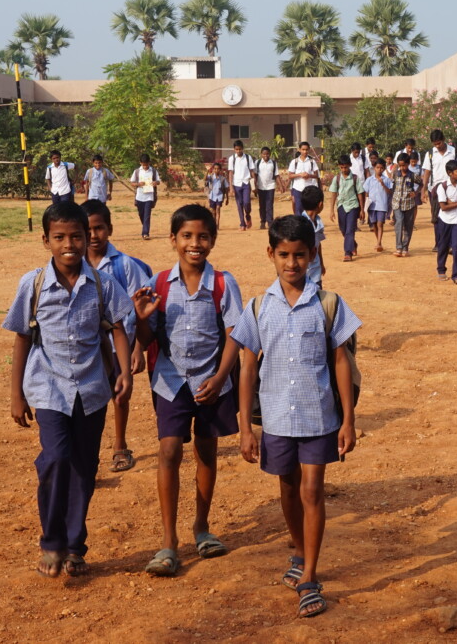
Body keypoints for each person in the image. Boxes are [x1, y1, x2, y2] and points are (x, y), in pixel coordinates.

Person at [231, 214, 362, 619]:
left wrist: (349, 419)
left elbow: (341, 361)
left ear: (313, 254)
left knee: (311, 491)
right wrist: (245, 427)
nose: (292, 263)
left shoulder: (328, 304)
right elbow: (247, 368)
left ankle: (309, 576)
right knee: (287, 490)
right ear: (271, 253)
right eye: (284, 255)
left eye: (300, 255)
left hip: (319, 417)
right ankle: (300, 551)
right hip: (275, 419)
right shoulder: (258, 308)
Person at [3, 201, 134, 578]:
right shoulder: (33, 284)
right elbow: (22, 338)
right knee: (57, 457)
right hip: (48, 387)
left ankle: (75, 546)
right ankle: (52, 542)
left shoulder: (102, 284)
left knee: (84, 468)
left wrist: (125, 372)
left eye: (76, 236)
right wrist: (16, 394)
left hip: (92, 389)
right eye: (59, 237)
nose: (69, 245)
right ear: (46, 240)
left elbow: (118, 328)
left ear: (87, 237)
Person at [132, 204, 244, 576]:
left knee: (206, 451)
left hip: (212, 380)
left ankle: (202, 527)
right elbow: (147, 338)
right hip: (170, 381)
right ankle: (169, 541)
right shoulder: (160, 283)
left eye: (202, 236)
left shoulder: (224, 284)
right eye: (187, 236)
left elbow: (235, 336)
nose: (194, 243)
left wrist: (221, 377)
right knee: (168, 451)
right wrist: (141, 319)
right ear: (173, 239)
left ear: (212, 240)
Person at [82, 199, 151, 473]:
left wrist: (138, 349)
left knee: (120, 395)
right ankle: (87, 455)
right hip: (88, 348)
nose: (94, 235)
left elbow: (141, 310)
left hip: (118, 346)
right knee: (88, 400)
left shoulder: (125, 265)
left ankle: (120, 445)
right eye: (88, 230)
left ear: (109, 229)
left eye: (99, 228)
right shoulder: (74, 264)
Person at [422, 130, 457, 253]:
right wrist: (423, 189)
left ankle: (451, 245)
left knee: (451, 216)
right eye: (435, 144)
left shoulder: (454, 152)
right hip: (435, 190)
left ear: (444, 140)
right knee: (437, 218)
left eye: (439, 143)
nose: (437, 146)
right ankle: (439, 244)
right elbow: (427, 172)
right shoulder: (430, 154)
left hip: (451, 189)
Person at [326, 155, 366, 262]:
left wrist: (362, 210)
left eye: (346, 167)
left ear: (350, 165)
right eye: (342, 167)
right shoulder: (337, 178)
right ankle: (353, 244)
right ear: (339, 166)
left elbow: (360, 194)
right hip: (341, 206)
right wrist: (331, 210)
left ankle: (348, 253)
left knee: (350, 230)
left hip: (353, 206)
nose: (344, 170)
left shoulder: (355, 178)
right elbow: (333, 194)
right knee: (343, 229)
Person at [390, 152, 419, 257]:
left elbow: (421, 183)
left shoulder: (413, 175)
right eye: (400, 165)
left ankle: (405, 247)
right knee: (399, 223)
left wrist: (415, 193)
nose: (402, 168)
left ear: (408, 164)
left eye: (404, 165)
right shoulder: (395, 174)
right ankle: (398, 247)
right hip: (397, 203)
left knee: (408, 225)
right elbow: (392, 186)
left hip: (409, 204)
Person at [363, 158, 393, 253]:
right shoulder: (369, 180)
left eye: (381, 168)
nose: (379, 170)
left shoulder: (387, 180)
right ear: (374, 168)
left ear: (384, 169)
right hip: (371, 205)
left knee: (380, 224)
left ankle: (379, 242)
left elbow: (390, 192)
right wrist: (366, 202)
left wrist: (383, 184)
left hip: (381, 205)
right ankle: (378, 241)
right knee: (374, 224)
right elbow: (366, 192)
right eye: (377, 167)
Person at [300, 186, 327, 288]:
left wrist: (321, 263)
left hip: (315, 270)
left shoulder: (318, 222)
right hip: (303, 272)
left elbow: (318, 244)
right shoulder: (301, 224)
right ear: (320, 204)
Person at [130, 154, 161, 240]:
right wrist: (138, 184)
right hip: (140, 196)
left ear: (149, 162)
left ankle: (145, 233)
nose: (145, 166)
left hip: (149, 197)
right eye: (143, 165)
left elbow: (158, 181)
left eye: (146, 164)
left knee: (147, 215)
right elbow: (132, 183)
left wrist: (155, 183)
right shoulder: (137, 171)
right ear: (140, 163)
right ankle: (145, 226)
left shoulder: (153, 171)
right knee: (141, 214)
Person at [227, 140, 257, 231]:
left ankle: (247, 215)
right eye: (237, 149)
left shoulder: (248, 158)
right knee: (239, 204)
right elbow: (230, 173)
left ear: (243, 149)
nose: (238, 151)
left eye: (240, 149)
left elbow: (252, 171)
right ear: (234, 149)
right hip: (236, 184)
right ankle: (242, 223)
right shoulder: (232, 159)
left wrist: (254, 183)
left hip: (246, 183)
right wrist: (231, 187)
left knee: (246, 202)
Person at [288, 142, 320, 216]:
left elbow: (316, 175)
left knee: (309, 209)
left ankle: (308, 222)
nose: (305, 152)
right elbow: (290, 175)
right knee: (298, 208)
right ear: (299, 150)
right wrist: (300, 174)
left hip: (309, 189)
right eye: (303, 149)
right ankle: (299, 222)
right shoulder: (294, 162)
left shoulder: (312, 161)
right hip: (298, 189)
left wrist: (309, 175)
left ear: (309, 150)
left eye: (306, 150)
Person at [255, 147, 279, 229]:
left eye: (267, 154)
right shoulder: (257, 163)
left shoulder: (273, 163)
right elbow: (255, 175)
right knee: (262, 205)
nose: (266, 155)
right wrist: (254, 185)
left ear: (270, 154)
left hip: (270, 186)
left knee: (269, 205)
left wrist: (280, 185)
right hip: (260, 187)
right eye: (264, 154)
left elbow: (276, 175)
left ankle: (270, 222)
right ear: (261, 154)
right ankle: (262, 222)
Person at [205, 162, 229, 228]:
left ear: (220, 170)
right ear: (213, 169)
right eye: (215, 169)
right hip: (212, 196)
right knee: (213, 211)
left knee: (218, 209)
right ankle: (214, 224)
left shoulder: (223, 179)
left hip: (220, 196)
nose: (216, 170)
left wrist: (227, 198)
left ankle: (217, 224)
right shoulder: (211, 177)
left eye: (218, 169)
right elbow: (205, 179)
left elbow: (226, 189)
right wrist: (207, 171)